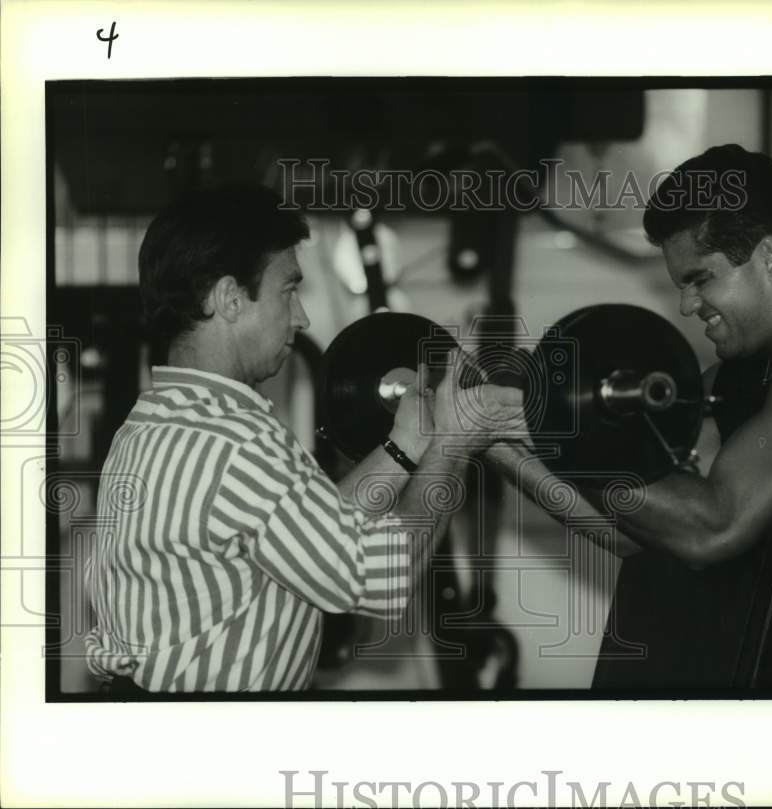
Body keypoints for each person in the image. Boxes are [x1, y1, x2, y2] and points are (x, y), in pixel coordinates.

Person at [486, 144, 772, 690]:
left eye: (701, 279)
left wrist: (560, 434)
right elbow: (640, 529)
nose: (686, 305)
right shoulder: (745, 371)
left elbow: (713, 526)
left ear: (770, 257)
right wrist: (499, 438)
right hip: (756, 660)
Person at [84, 185, 522, 693]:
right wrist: (452, 443)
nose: (302, 317)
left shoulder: (157, 422)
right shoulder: (235, 441)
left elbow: (319, 530)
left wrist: (405, 446)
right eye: (288, 290)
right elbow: (378, 576)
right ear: (229, 298)